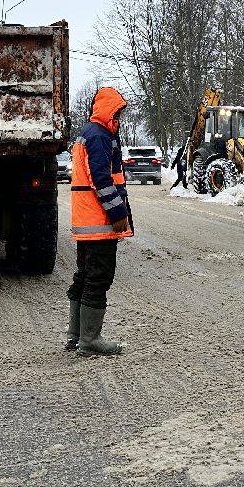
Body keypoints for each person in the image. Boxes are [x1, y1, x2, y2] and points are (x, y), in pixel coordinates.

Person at [65, 86, 134, 356]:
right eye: (118, 112)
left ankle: (76, 336)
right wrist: (118, 213)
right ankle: (90, 341)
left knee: (85, 276)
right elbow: (101, 179)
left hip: (88, 222)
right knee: (98, 278)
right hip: (100, 222)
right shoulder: (100, 135)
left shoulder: (90, 133)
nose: (120, 118)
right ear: (109, 110)